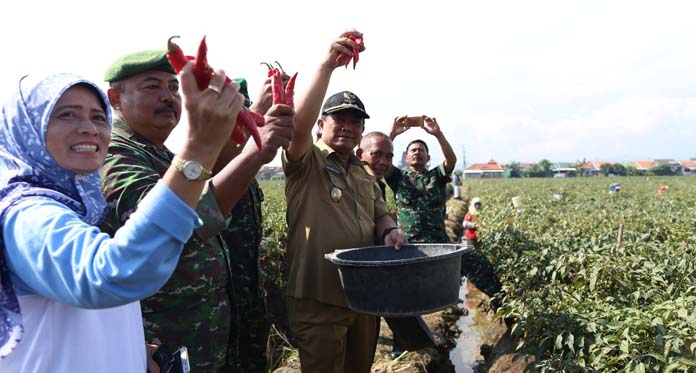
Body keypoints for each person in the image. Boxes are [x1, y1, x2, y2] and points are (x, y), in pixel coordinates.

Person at [0, 67, 240, 371]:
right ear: (26, 127)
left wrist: (129, 343)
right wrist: (199, 150)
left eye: (98, 117)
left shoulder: (76, 207)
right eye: (67, 115)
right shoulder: (28, 214)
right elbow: (111, 274)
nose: (89, 128)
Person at [99, 50, 294, 371]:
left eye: (173, 88)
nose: (167, 97)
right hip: (164, 343)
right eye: (152, 87)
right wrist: (256, 155)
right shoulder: (116, 156)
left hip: (202, 337)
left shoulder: (163, 155)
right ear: (115, 98)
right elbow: (172, 226)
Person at [283, 30, 407, 372]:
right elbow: (298, 127)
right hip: (319, 296)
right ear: (321, 124)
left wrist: (390, 232)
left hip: (363, 297)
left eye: (356, 121)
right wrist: (326, 67)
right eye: (339, 119)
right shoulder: (306, 162)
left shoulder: (363, 173)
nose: (348, 127)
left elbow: (380, 216)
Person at [386, 115, 457, 243]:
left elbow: (451, 160)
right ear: (406, 158)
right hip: (407, 244)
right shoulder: (398, 178)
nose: (417, 152)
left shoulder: (437, 176)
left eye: (421, 150)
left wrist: (438, 134)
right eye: (413, 150)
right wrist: (392, 134)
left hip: (438, 242)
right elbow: (382, 160)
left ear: (428, 158)